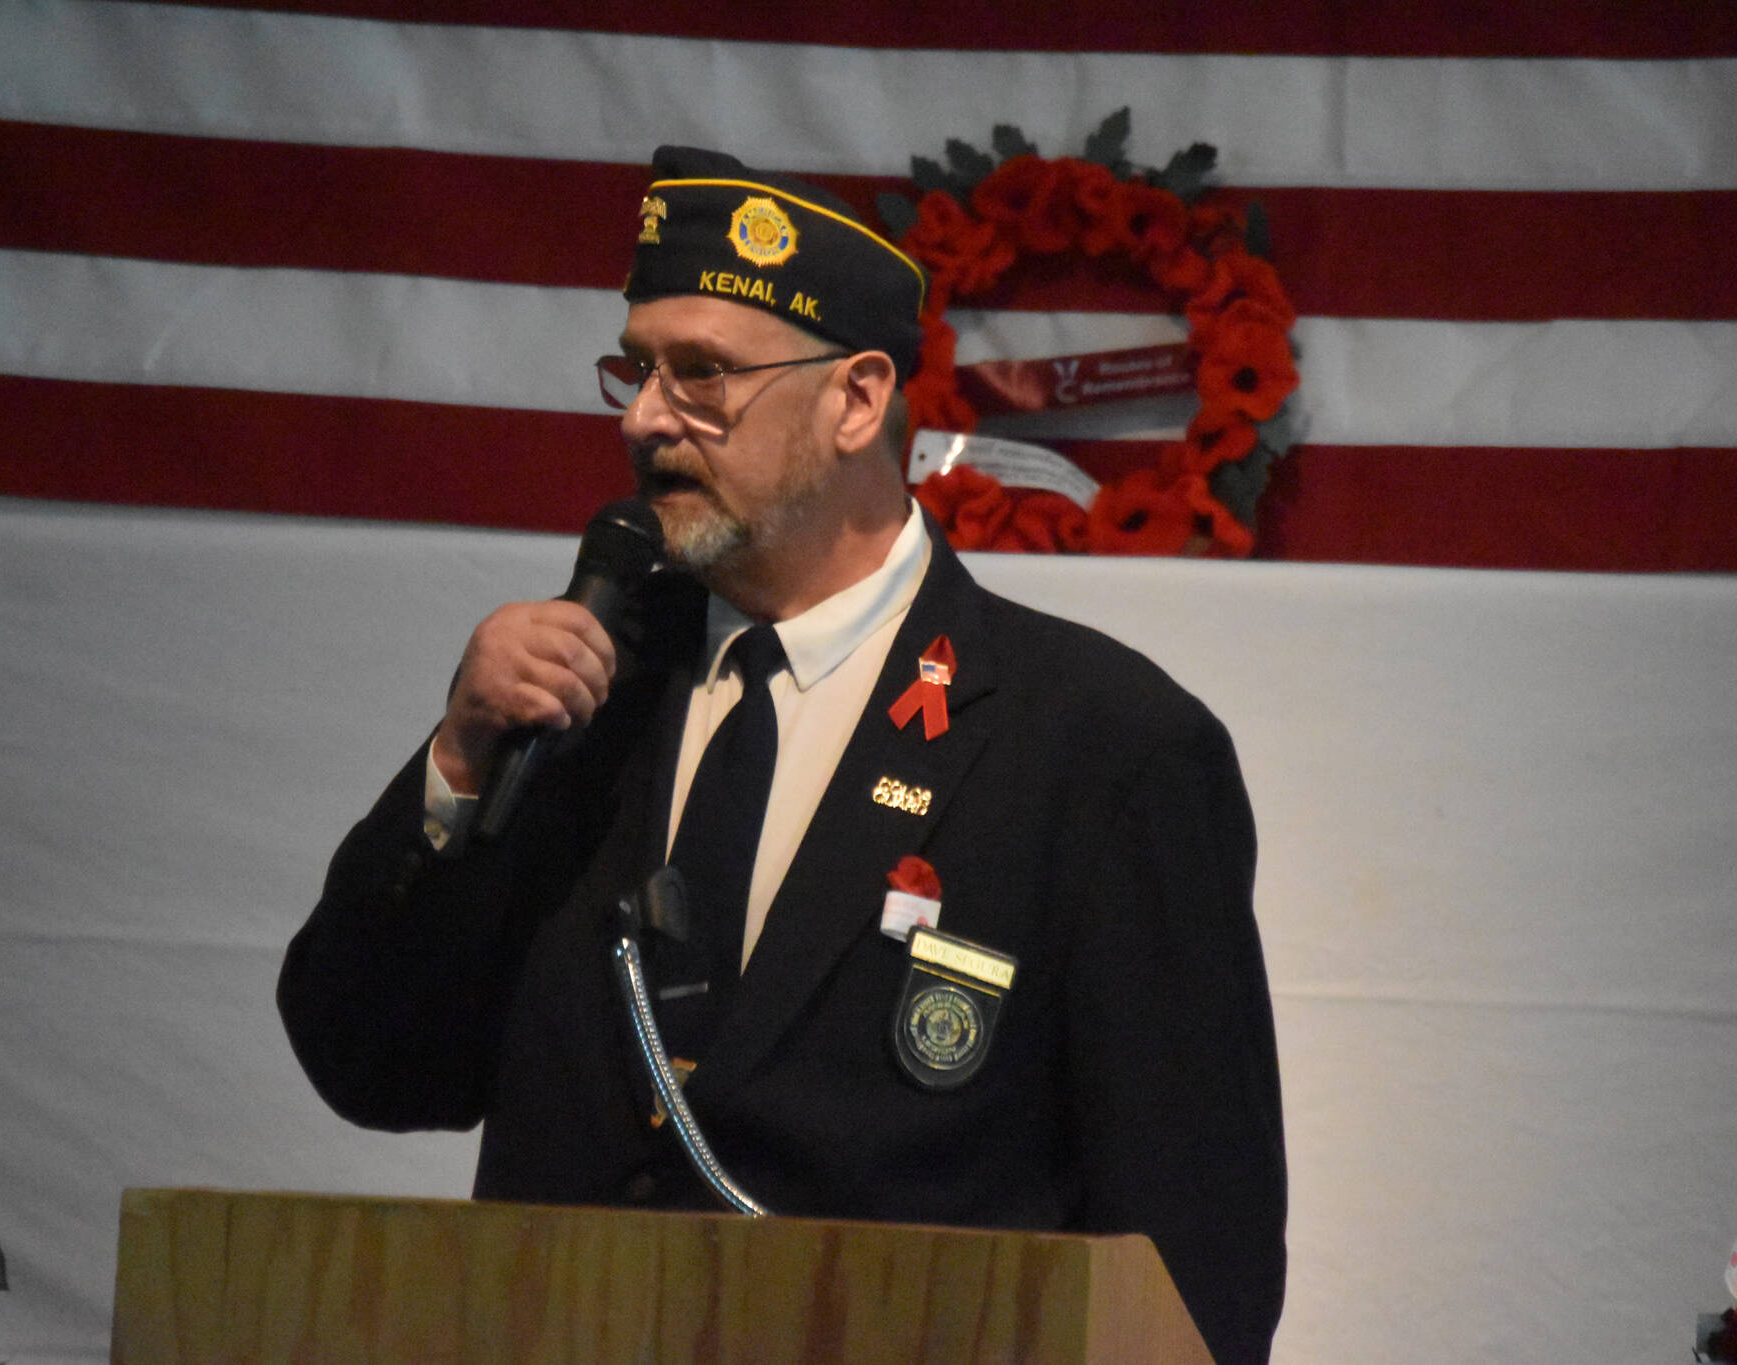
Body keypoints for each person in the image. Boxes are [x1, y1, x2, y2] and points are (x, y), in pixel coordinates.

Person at [278, 146, 1286, 1365]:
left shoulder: (1103, 749)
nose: (648, 417)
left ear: (857, 401)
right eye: (635, 369)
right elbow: (376, 1064)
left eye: (701, 374)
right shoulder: (588, 697)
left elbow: (1194, 1265)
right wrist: (460, 760)